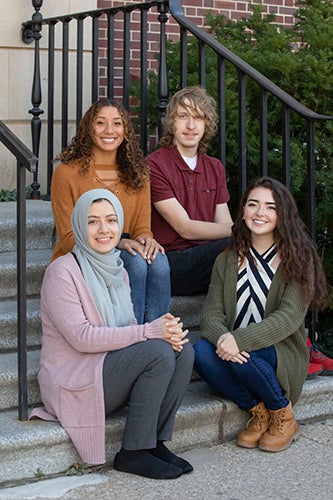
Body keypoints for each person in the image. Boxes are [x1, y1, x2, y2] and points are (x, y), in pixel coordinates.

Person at [29, 189, 194, 479]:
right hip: (74, 381)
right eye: (93, 222)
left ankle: (154, 442)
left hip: (106, 371)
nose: (104, 230)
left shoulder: (119, 269)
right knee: (156, 350)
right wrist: (149, 332)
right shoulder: (62, 272)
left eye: (111, 220)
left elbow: (127, 327)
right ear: (80, 225)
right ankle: (133, 452)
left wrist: (164, 332)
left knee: (183, 350)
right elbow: (82, 336)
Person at [193, 177, 327, 453]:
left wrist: (239, 340)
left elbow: (289, 318)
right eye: (253, 205)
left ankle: (283, 412)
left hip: (279, 352)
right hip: (235, 350)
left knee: (245, 358)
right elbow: (211, 314)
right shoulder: (227, 258)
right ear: (242, 211)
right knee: (201, 352)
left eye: (270, 207)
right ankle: (258, 411)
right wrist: (225, 341)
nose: (260, 213)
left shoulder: (298, 259)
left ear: (282, 214)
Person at [51, 98, 170, 324]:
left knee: (159, 261)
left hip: (125, 248)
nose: (109, 130)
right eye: (100, 123)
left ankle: (157, 338)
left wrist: (147, 240)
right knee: (133, 262)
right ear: (89, 129)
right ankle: (127, 339)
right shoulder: (67, 173)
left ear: (125, 130)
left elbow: (142, 228)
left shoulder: (138, 172)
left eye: (117, 123)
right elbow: (68, 239)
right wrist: (118, 243)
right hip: (83, 252)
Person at [147, 86, 233, 296]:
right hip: (171, 263)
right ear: (171, 122)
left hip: (209, 259)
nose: (191, 125)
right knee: (250, 243)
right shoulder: (154, 165)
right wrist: (246, 231)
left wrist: (244, 233)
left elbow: (225, 223)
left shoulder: (214, 167)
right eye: (183, 116)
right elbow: (184, 228)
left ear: (207, 124)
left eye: (198, 117)